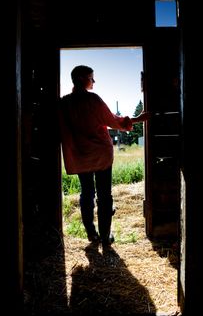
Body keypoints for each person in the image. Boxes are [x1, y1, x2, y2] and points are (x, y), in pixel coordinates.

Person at [58, 65, 150, 246]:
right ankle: (106, 236)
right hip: (101, 155)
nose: (94, 81)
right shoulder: (93, 100)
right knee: (104, 195)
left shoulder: (64, 103)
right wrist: (137, 119)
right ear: (84, 79)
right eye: (92, 78)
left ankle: (91, 235)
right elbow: (112, 120)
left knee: (86, 193)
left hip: (80, 156)